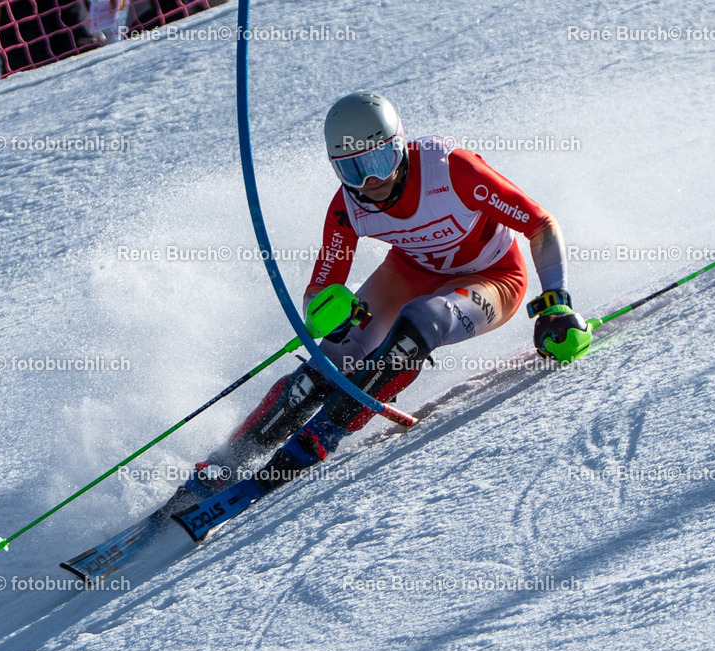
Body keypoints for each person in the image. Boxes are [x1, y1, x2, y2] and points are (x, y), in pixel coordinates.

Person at [166, 91, 592, 509]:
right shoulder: (346, 208)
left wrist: (557, 302)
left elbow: (540, 223)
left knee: (419, 322)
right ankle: (228, 461)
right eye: (353, 170)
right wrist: (328, 313)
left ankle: (324, 434)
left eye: (379, 161)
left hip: (495, 276)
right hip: (411, 271)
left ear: (400, 146)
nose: (371, 182)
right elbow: (318, 290)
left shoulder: (451, 170)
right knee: (329, 361)